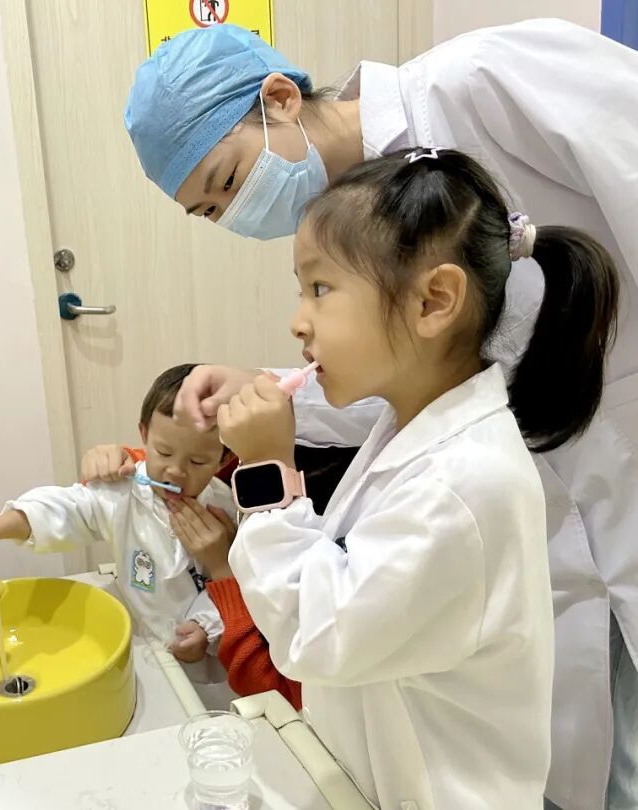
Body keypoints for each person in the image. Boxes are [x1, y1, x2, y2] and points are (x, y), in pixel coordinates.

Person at [84, 20, 638, 808]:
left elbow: (317, 629)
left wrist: (270, 477)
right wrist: (269, 390)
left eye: (228, 179)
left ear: (280, 98)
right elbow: (398, 380)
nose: (236, 212)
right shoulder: (420, 408)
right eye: (211, 211)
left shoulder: (485, 81)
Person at [234, 147, 616, 806]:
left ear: (434, 301)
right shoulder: (412, 429)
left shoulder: (462, 486)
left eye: (320, 289)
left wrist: (268, 473)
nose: (298, 321)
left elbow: (315, 633)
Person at [0, 365, 239, 667]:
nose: (176, 471)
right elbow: (67, 508)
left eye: (198, 461)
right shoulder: (122, 492)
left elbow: (239, 581)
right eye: (164, 452)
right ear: (144, 434)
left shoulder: (228, 505)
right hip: (142, 648)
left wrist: (206, 625)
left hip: (211, 662)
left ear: (224, 458)